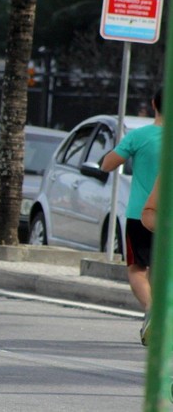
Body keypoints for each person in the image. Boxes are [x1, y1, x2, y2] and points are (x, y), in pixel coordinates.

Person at [101, 87, 162, 346]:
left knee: (137, 268)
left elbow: (107, 164)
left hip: (140, 214)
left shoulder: (139, 136)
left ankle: (152, 310)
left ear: (153, 104)